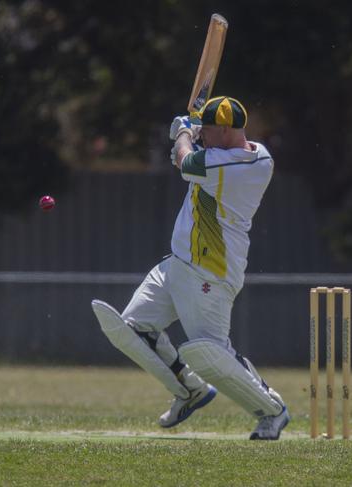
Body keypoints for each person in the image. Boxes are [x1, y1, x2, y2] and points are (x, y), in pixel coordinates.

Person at [91, 96, 290, 440]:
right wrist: (195, 136)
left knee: (211, 352)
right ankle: (189, 389)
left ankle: (272, 410)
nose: (205, 135)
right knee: (135, 329)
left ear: (226, 130)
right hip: (177, 263)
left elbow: (187, 163)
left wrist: (184, 134)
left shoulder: (242, 165)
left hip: (210, 272)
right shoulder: (233, 153)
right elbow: (194, 161)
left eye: (210, 130)